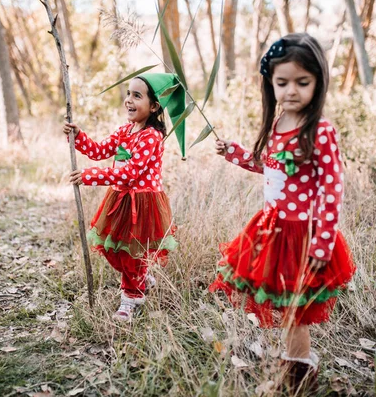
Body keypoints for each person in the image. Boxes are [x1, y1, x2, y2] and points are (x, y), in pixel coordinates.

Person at [209, 33, 356, 393]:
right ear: (270, 83)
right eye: (282, 82)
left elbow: (331, 189)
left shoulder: (320, 131)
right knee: (284, 309)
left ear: (318, 82)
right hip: (272, 230)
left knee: (295, 310)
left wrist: (322, 243)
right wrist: (235, 152)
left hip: (302, 234)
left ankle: (298, 378)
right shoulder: (277, 125)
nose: (291, 90)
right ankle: (291, 363)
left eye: (302, 82)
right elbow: (269, 165)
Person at [64, 73, 185, 322]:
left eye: (137, 96)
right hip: (120, 200)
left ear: (153, 106)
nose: (129, 100)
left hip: (141, 204)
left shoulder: (151, 137)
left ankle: (130, 300)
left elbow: (130, 174)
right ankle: (141, 276)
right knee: (111, 249)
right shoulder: (126, 130)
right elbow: (99, 151)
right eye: (128, 93)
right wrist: (78, 137)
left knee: (131, 254)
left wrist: (89, 176)